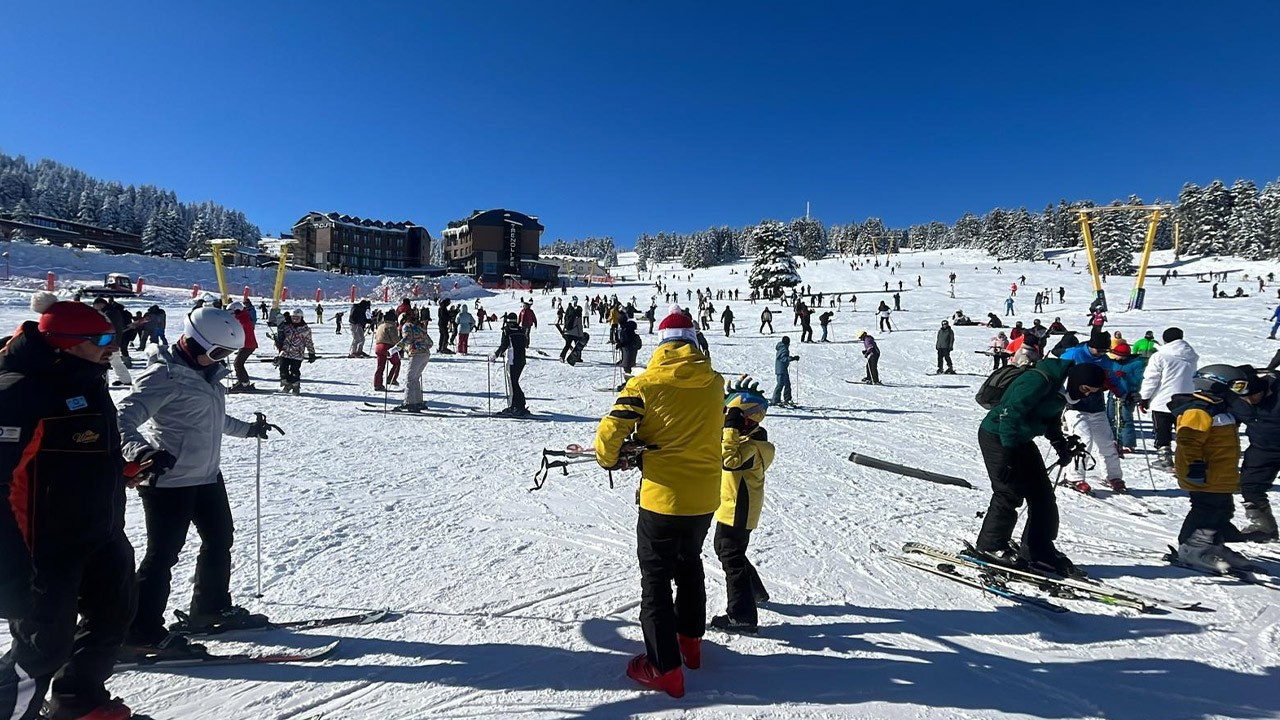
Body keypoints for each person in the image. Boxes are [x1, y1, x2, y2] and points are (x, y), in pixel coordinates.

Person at [0, 293, 139, 720]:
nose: (113, 347)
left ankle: (78, 702)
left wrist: (126, 470)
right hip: (45, 545)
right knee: (43, 646)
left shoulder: (88, 378)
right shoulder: (20, 391)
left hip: (100, 531)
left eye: (115, 337)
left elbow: (82, 452)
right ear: (67, 341)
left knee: (111, 620)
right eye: (103, 339)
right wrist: (12, 564)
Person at [117, 308, 283, 656]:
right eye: (219, 352)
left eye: (227, 354)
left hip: (207, 477)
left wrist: (249, 430)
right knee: (163, 556)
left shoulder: (207, 374)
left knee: (220, 540)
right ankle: (139, 632)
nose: (222, 360)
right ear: (194, 342)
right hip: (169, 481)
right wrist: (142, 452)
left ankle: (210, 609)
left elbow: (214, 418)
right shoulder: (162, 376)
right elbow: (122, 419)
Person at [594, 305, 723, 698]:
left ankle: (664, 667)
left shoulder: (645, 384)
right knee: (689, 564)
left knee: (655, 580)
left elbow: (610, 432)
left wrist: (609, 458)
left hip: (662, 499)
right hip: (705, 497)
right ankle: (690, 643)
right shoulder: (715, 382)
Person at [974, 358, 1103, 576]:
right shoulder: (1038, 380)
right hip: (998, 436)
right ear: (1076, 380)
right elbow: (1009, 413)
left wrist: (1059, 443)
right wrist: (1008, 455)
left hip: (1021, 440)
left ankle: (1038, 550)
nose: (1086, 395)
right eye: (1085, 389)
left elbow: (1051, 419)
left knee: (1043, 495)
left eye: (1091, 392)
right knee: (1008, 491)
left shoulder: (1061, 390)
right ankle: (990, 546)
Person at [1169, 365, 1255, 572]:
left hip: (1220, 474)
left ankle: (1213, 546)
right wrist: (1194, 467)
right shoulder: (1198, 410)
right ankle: (1192, 549)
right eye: (1237, 387)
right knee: (1207, 511)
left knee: (1223, 510)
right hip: (1203, 473)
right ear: (1215, 384)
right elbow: (1188, 442)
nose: (1240, 393)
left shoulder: (1221, 409)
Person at [711, 377, 774, 635]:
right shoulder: (748, 440)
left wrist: (730, 430)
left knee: (731, 556)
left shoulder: (753, 447)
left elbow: (729, 460)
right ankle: (755, 591)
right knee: (726, 549)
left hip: (739, 509)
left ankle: (742, 616)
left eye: (733, 418)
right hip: (732, 507)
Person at [1059, 334, 1126, 493]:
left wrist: (1123, 393)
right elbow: (1057, 372)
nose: (1102, 353)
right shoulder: (1074, 354)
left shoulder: (1105, 360)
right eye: (1099, 350)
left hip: (1097, 406)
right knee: (1083, 441)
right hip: (1075, 405)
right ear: (1091, 345)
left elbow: (1112, 378)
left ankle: (1113, 476)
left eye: (1105, 350)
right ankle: (1074, 478)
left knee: (1107, 443)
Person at [1225, 367, 1280, 541]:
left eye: (1253, 396)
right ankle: (1264, 527)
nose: (1249, 400)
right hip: (1263, 449)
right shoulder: (1236, 399)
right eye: (1244, 397)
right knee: (1250, 486)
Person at [1139, 328, 1199, 470]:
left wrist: (1144, 397)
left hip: (1163, 400)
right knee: (1183, 431)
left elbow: (1151, 379)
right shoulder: (1191, 356)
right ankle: (1186, 459)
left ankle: (1164, 458)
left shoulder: (1160, 356)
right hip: (1187, 400)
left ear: (1165, 339)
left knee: (1162, 430)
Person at [395, 309, 433, 413]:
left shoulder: (406, 326)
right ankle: (417, 401)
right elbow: (430, 342)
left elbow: (407, 338)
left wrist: (396, 348)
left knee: (410, 378)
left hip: (416, 354)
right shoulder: (419, 327)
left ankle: (409, 402)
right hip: (425, 354)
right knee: (415, 378)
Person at [492, 313, 529, 417]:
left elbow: (504, 345)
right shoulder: (521, 331)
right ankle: (520, 404)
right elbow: (525, 343)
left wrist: (495, 355)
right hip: (521, 359)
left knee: (512, 384)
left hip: (512, 360)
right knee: (515, 382)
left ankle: (514, 406)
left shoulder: (507, 331)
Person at [275, 310, 316, 394]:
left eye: (297, 318)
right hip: (285, 352)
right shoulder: (286, 326)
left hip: (297, 353)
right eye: (293, 318)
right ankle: (287, 384)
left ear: (301, 318)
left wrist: (311, 353)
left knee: (294, 371)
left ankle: (295, 386)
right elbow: (280, 336)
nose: (295, 319)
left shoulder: (305, 329)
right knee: (283, 369)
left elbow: (309, 342)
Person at [230, 301, 258, 392]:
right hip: (246, 344)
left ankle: (244, 383)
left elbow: (238, 330)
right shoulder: (242, 317)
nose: (231, 314)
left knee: (238, 363)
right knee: (238, 363)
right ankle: (243, 381)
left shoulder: (243, 319)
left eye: (232, 312)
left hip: (248, 345)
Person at [373, 312, 402, 392]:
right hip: (388, 347)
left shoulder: (380, 325)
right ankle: (391, 378)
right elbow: (395, 339)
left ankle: (377, 384)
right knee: (397, 363)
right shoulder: (391, 326)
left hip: (378, 346)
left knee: (380, 367)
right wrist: (400, 344)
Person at [772, 337, 799, 406]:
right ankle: (775, 400)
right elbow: (783, 358)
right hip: (781, 369)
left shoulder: (782, 347)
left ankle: (787, 398)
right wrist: (792, 358)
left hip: (783, 369)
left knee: (787, 384)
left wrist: (792, 358)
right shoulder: (784, 349)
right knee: (780, 384)